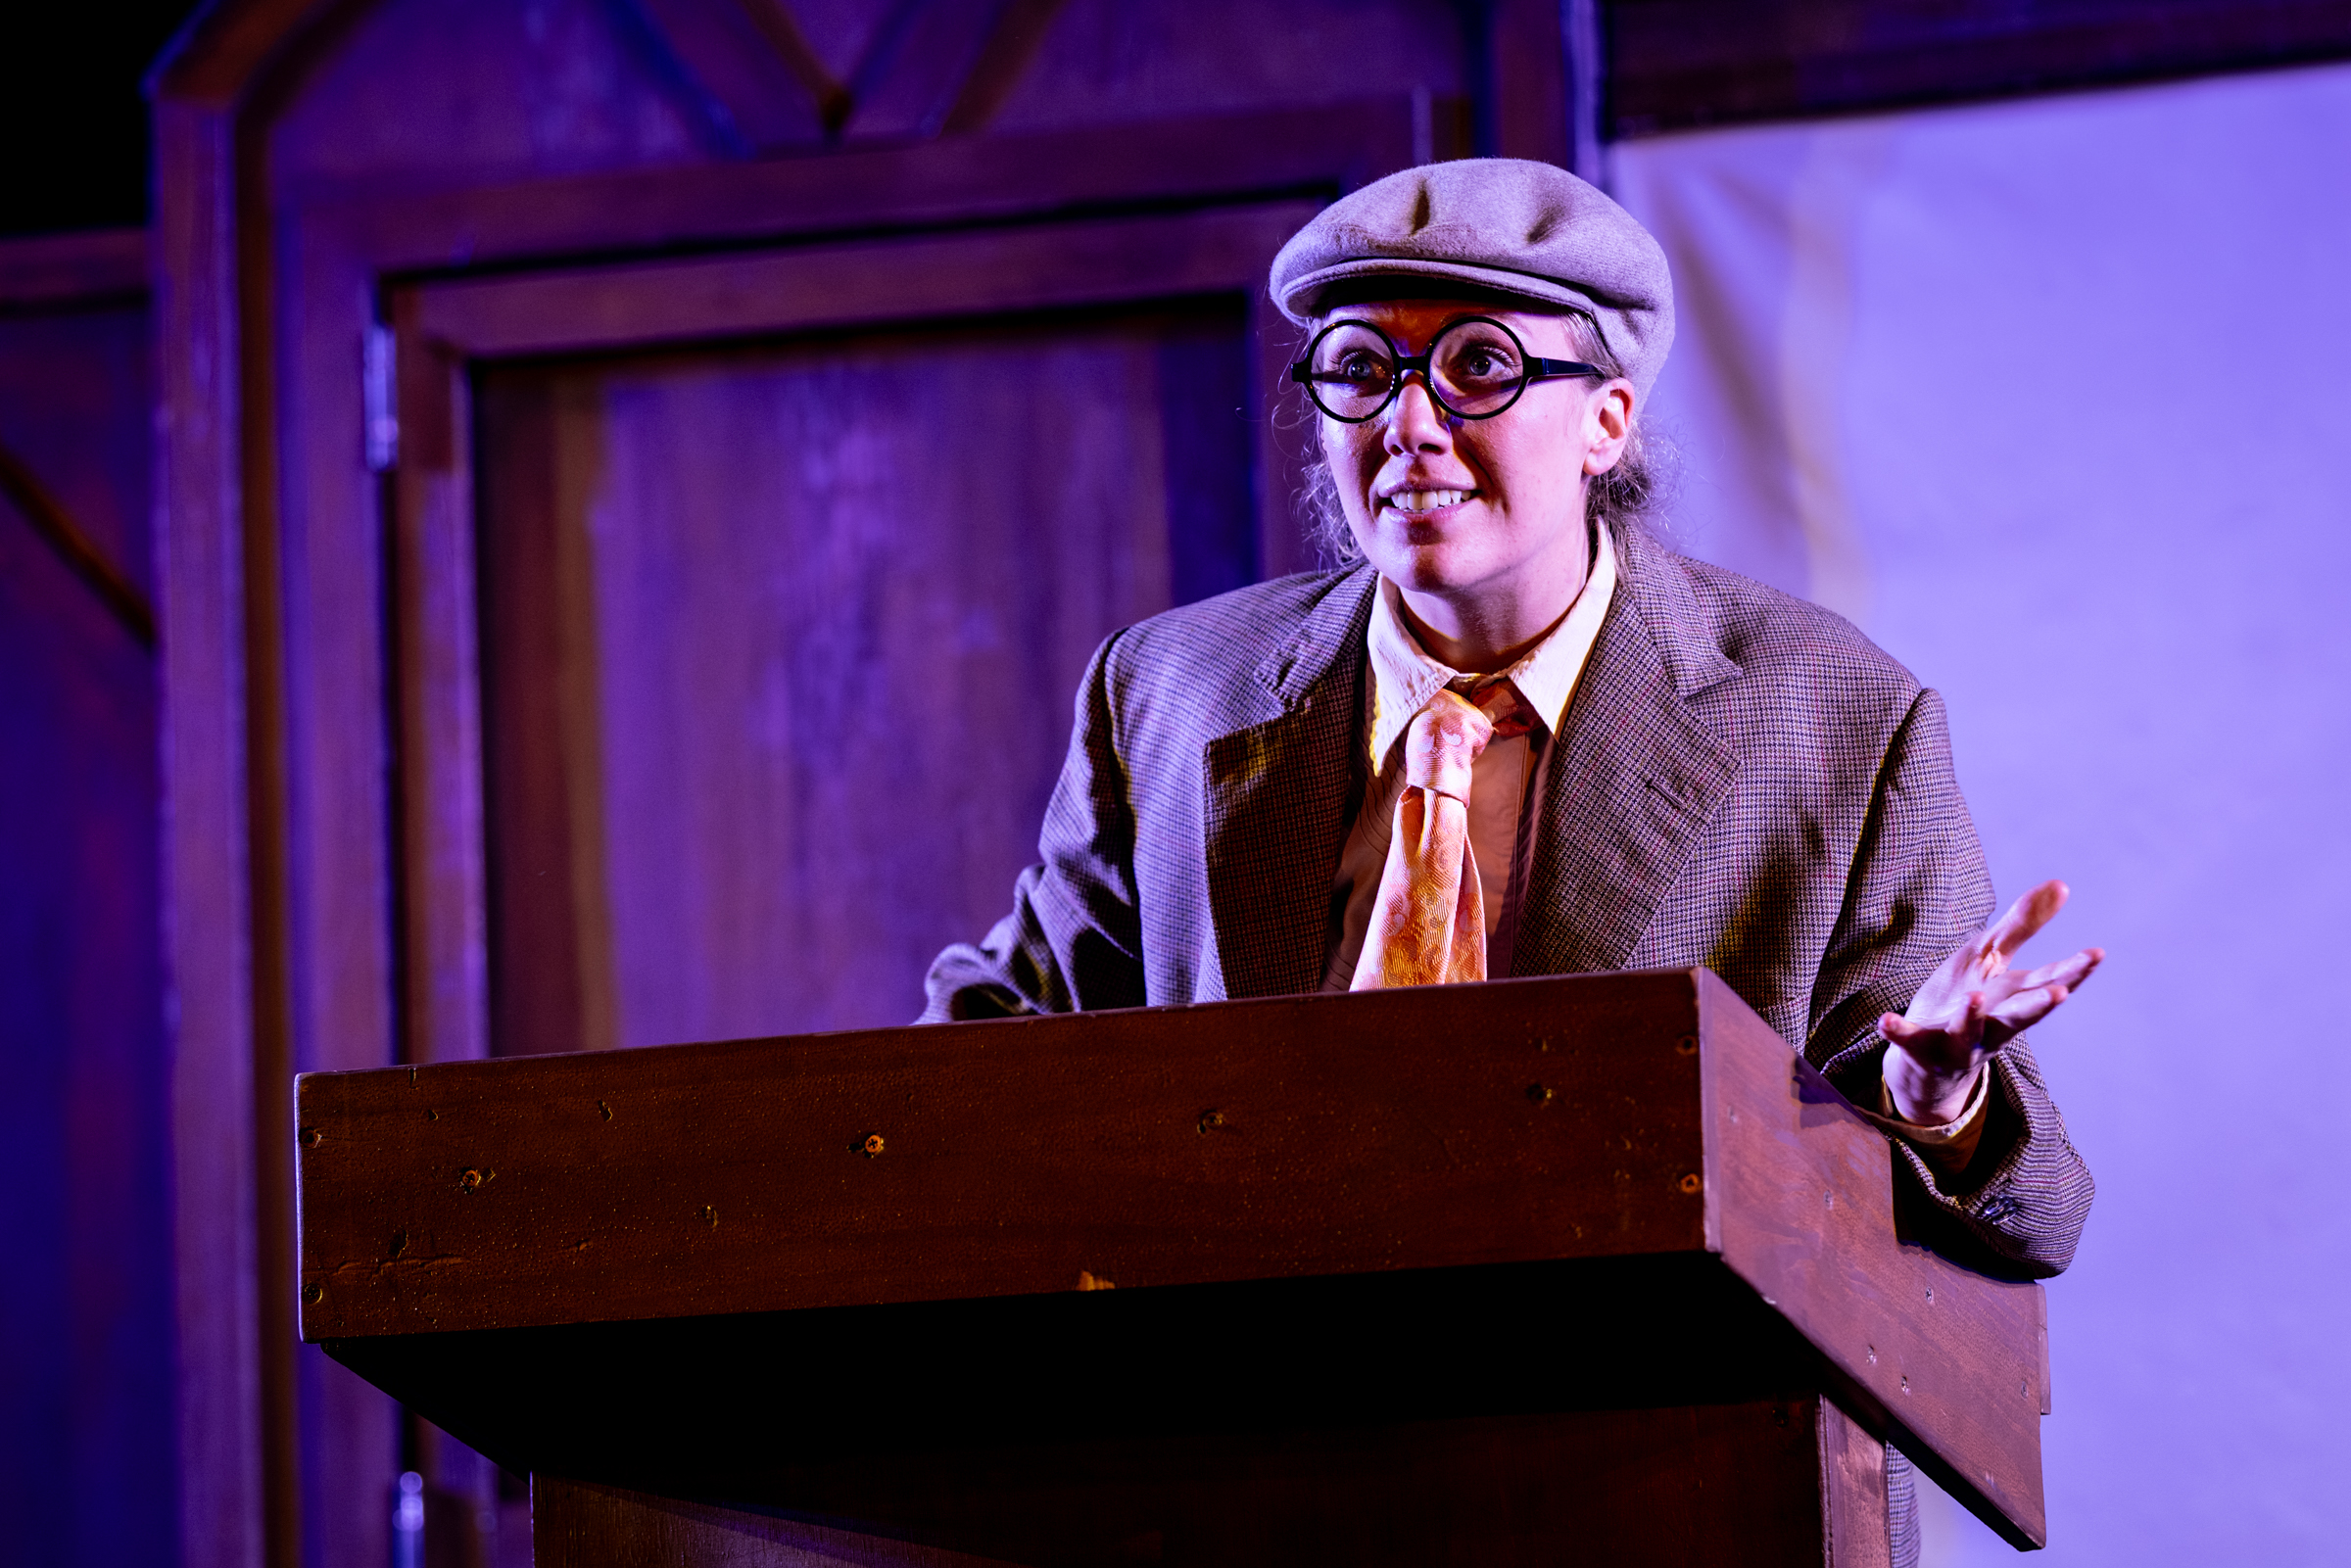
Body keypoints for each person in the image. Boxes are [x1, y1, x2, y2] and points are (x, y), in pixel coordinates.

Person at [922, 159, 2098, 1557]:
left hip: (1670, 1487)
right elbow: (1001, 1041)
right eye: (1360, 370)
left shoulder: (1834, 717)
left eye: (1478, 367)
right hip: (1248, 1489)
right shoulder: (1170, 690)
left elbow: (2036, 1209)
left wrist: (1933, 1096)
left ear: (1608, 418)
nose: (1409, 423)